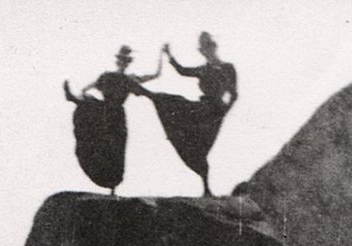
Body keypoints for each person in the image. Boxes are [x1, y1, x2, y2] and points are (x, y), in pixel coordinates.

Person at [144, 34, 237, 194]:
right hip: (202, 108)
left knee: (201, 146)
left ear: (214, 48)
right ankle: (149, 94)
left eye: (209, 48)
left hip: (215, 112)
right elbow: (182, 71)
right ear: (202, 52)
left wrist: (223, 114)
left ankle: (206, 188)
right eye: (204, 50)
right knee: (176, 105)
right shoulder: (203, 69)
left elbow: (234, 95)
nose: (206, 52)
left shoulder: (228, 68)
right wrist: (169, 55)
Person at [63, 46, 162, 194]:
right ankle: (73, 99)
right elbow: (87, 88)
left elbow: (155, 75)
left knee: (115, 150)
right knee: (98, 135)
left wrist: (161, 56)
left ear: (128, 63)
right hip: (104, 112)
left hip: (116, 116)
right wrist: (81, 95)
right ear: (118, 62)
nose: (123, 63)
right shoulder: (107, 76)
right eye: (121, 60)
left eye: (125, 61)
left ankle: (113, 186)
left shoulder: (131, 79)